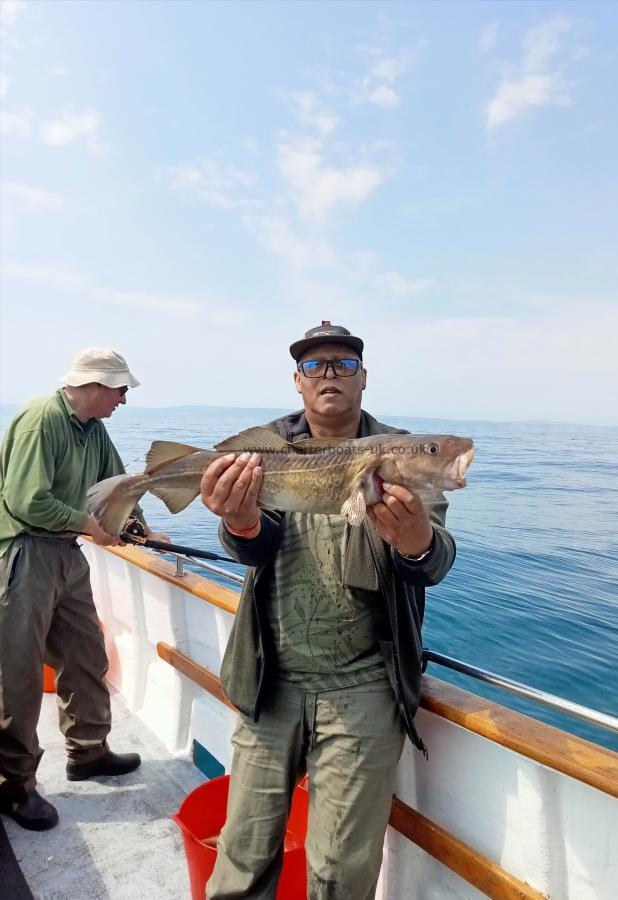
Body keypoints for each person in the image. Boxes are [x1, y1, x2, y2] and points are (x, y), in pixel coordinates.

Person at [200, 321, 457, 899]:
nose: (330, 375)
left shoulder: (405, 452)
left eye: (343, 364)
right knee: (240, 855)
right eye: (315, 366)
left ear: (364, 379)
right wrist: (237, 521)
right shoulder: (264, 449)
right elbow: (251, 542)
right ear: (297, 382)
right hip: (270, 678)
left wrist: (415, 540)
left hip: (365, 685)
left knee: (339, 873)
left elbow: (435, 561)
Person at [0, 347, 170, 831]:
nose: (123, 400)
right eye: (120, 390)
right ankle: (15, 785)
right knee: (17, 673)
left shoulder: (94, 431)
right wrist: (88, 525)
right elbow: (26, 501)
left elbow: (118, 486)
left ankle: (88, 752)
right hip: (23, 551)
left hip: (65, 553)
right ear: (95, 386)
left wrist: (141, 525)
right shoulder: (41, 421)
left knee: (85, 653)